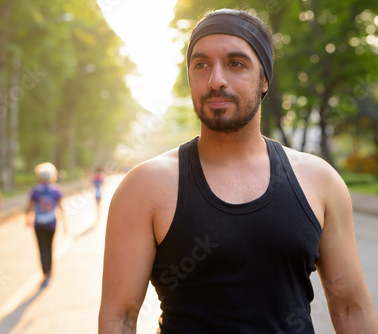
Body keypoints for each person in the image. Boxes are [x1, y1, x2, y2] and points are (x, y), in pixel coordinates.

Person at [99, 8, 378, 333]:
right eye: (201, 64)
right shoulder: (144, 186)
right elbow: (120, 317)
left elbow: (350, 306)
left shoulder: (320, 180)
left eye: (236, 63)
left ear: (264, 80)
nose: (216, 79)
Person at [25, 162, 67, 287]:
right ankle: (50, 272)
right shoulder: (56, 190)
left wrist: (27, 217)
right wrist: (65, 223)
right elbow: (61, 207)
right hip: (52, 224)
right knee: (50, 248)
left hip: (39, 224)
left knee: (42, 248)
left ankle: (45, 272)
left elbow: (30, 206)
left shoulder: (36, 190)